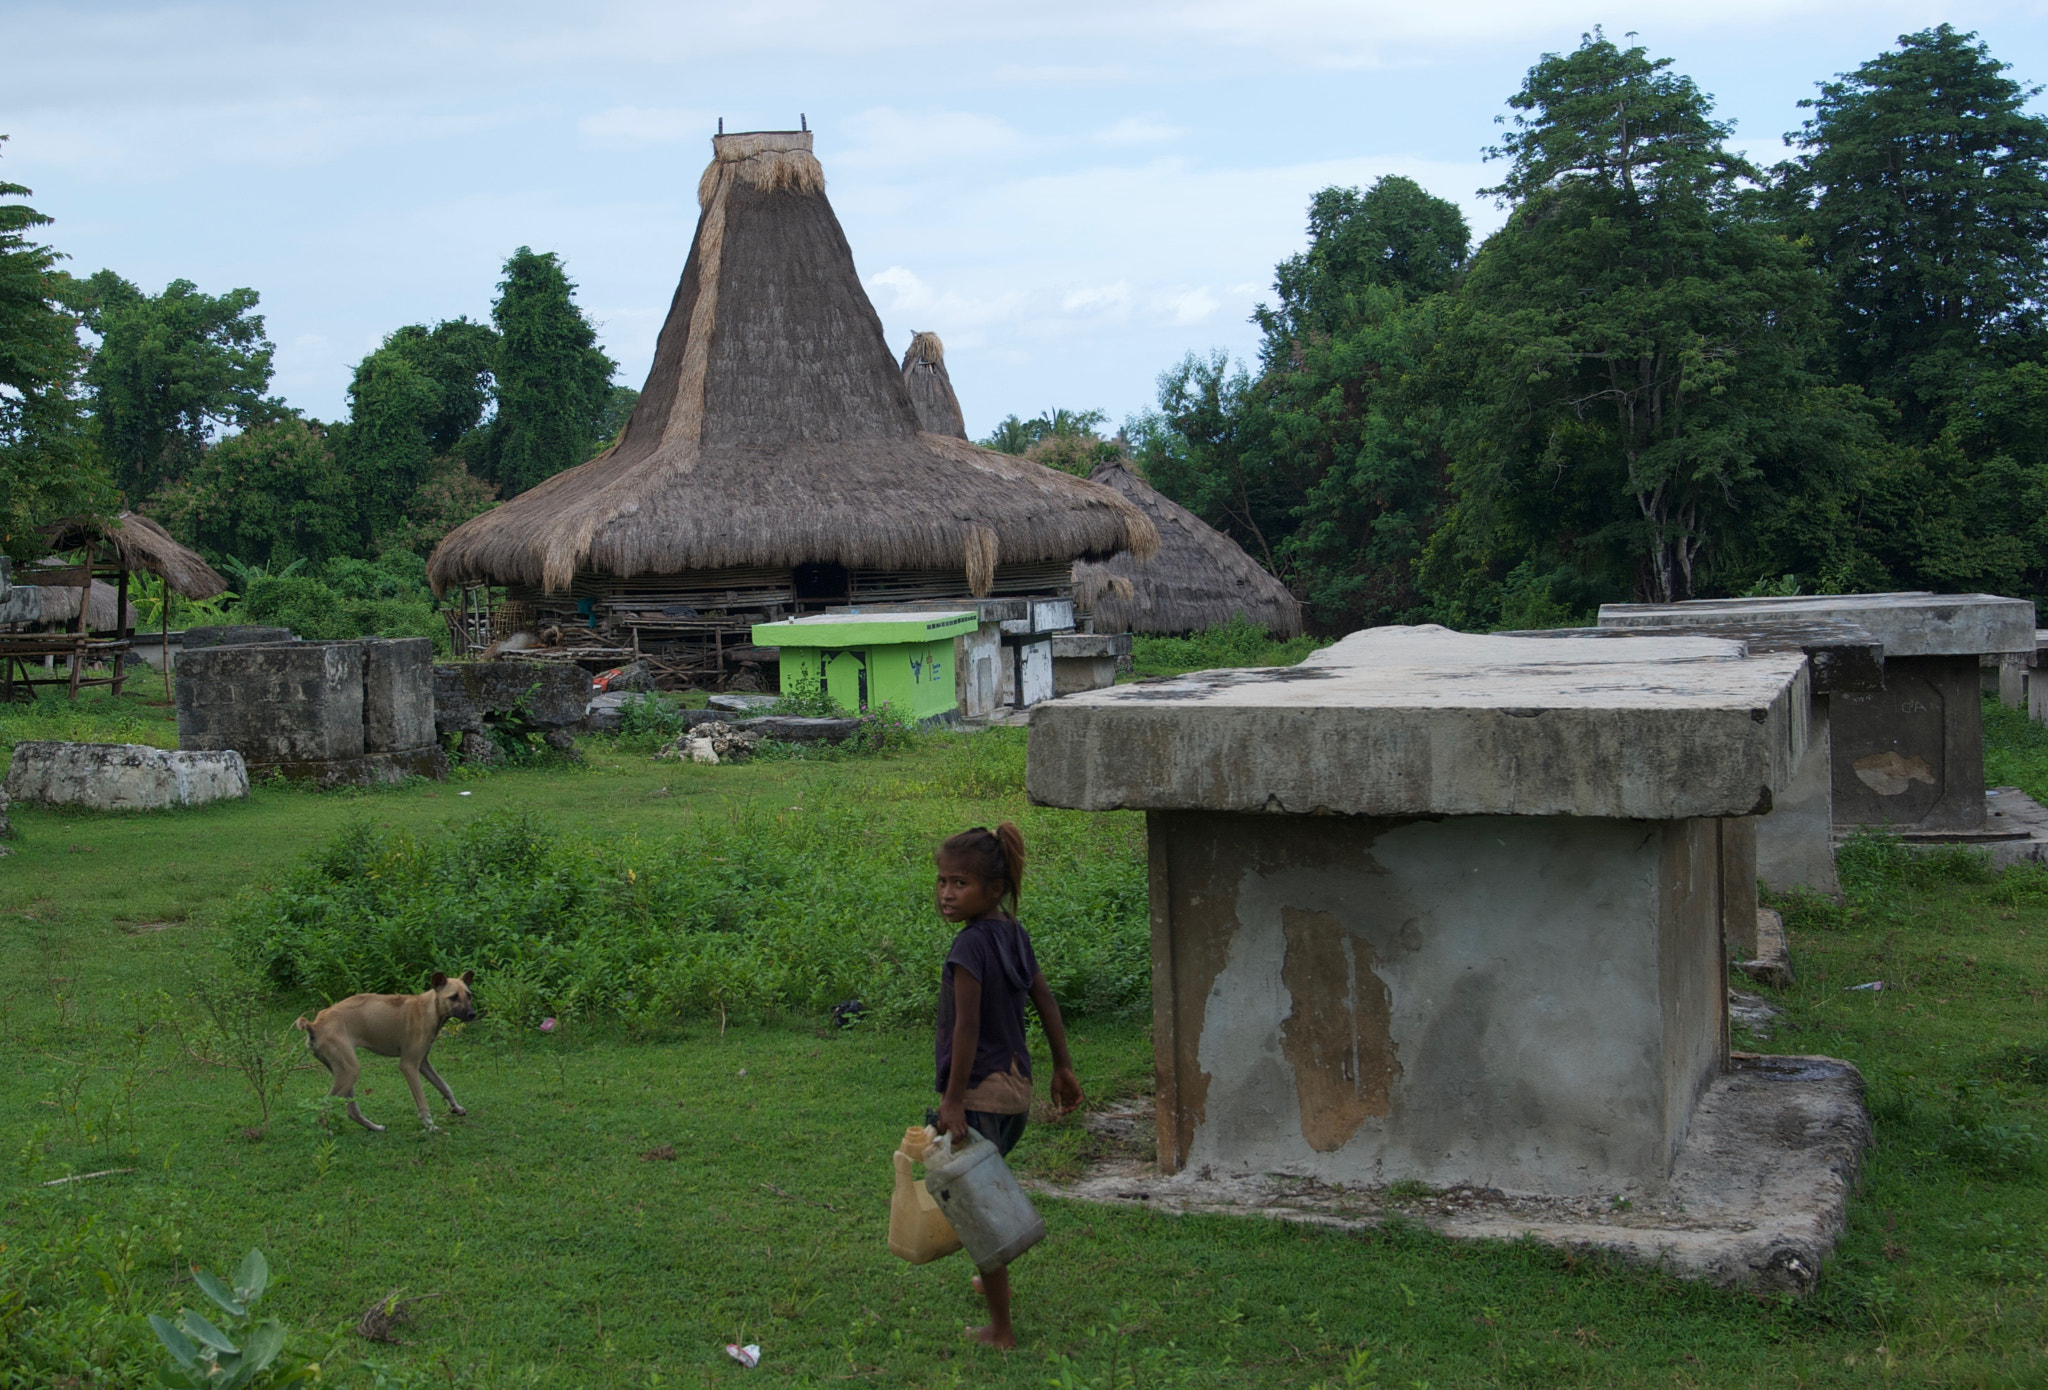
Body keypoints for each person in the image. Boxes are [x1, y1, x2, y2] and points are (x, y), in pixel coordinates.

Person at [932, 822, 1083, 1350]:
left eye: (960, 884)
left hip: (980, 1093)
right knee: (982, 1193)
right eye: (943, 882)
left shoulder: (969, 947)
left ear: (993, 889)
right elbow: (1045, 1000)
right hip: (1016, 1089)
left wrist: (953, 1102)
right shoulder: (1014, 934)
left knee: (977, 1212)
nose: (947, 894)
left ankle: (1001, 1330)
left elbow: (966, 1029)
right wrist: (1062, 1067)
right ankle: (989, 1277)